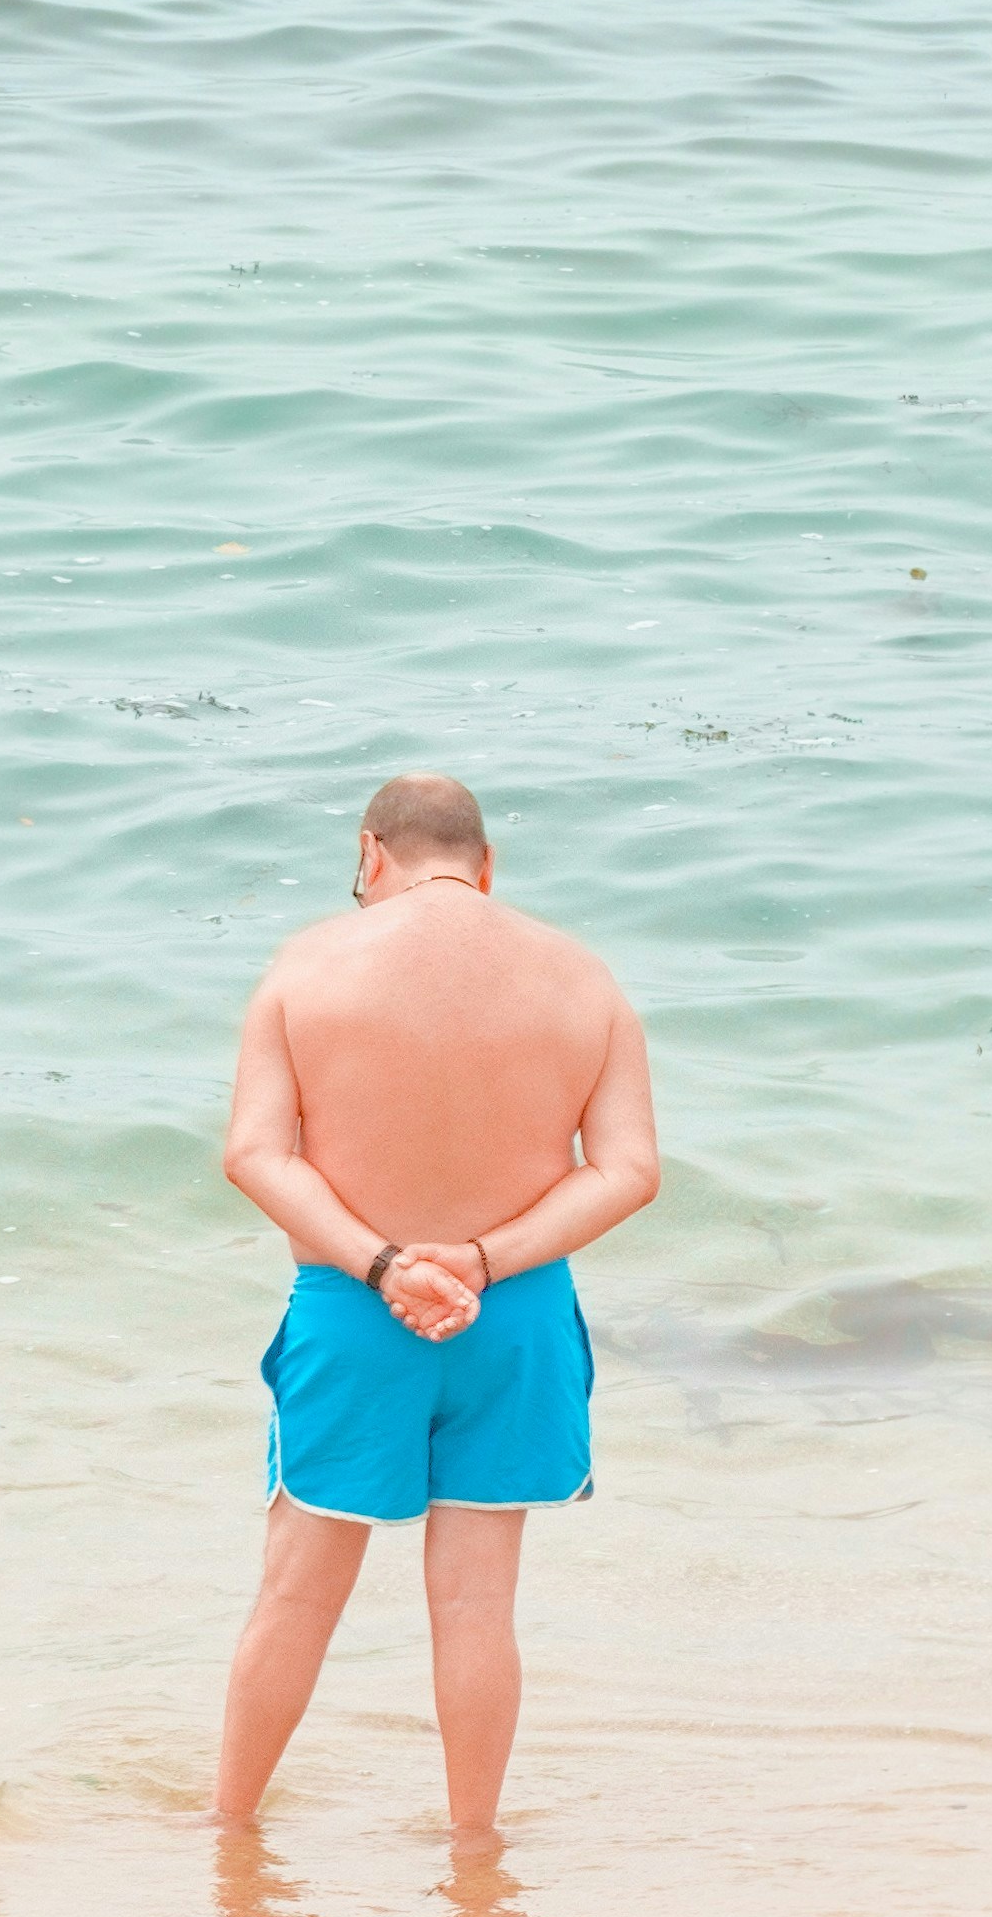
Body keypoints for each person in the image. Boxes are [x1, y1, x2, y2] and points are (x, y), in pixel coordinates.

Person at [208, 773, 660, 1851]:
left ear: (373, 855)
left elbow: (254, 1155)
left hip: (356, 1310)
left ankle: (228, 1831)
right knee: (475, 1604)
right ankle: (472, 1846)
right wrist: (480, 1256)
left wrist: (383, 1263)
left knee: (296, 1597)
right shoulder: (583, 977)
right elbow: (629, 1169)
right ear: (485, 862)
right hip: (514, 1314)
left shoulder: (307, 967)